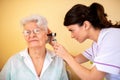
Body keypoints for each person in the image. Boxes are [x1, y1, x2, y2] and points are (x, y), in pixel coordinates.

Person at [52, 2, 120, 80]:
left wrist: (66, 56)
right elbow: (75, 60)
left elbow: (92, 78)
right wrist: (53, 43)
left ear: (86, 25)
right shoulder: (97, 44)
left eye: (72, 30)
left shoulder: (112, 37)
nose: (72, 36)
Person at [0, 15, 68, 80]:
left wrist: (54, 42)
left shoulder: (58, 60)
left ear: (46, 34)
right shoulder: (13, 61)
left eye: (37, 31)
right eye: (27, 32)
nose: (32, 35)